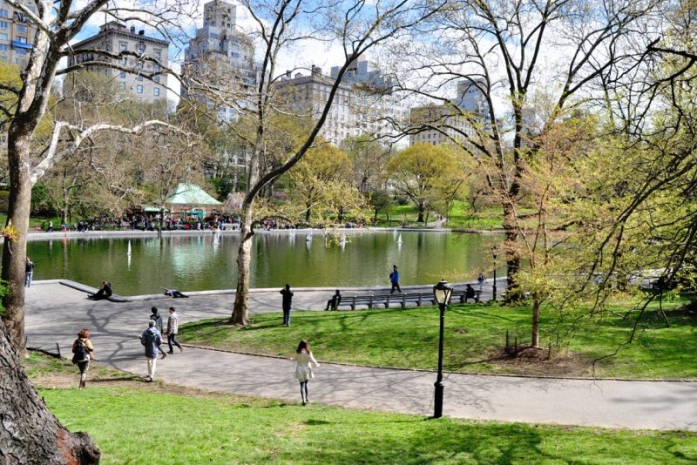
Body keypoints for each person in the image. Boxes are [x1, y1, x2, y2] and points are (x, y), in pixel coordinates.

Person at [291, 340, 320, 406]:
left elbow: (294, 359)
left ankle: (303, 399)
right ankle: (307, 398)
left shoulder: (298, 352)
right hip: (307, 368)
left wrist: (290, 358)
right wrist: (316, 364)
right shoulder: (308, 352)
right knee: (306, 384)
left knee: (301, 385)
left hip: (300, 368)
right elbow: (312, 359)